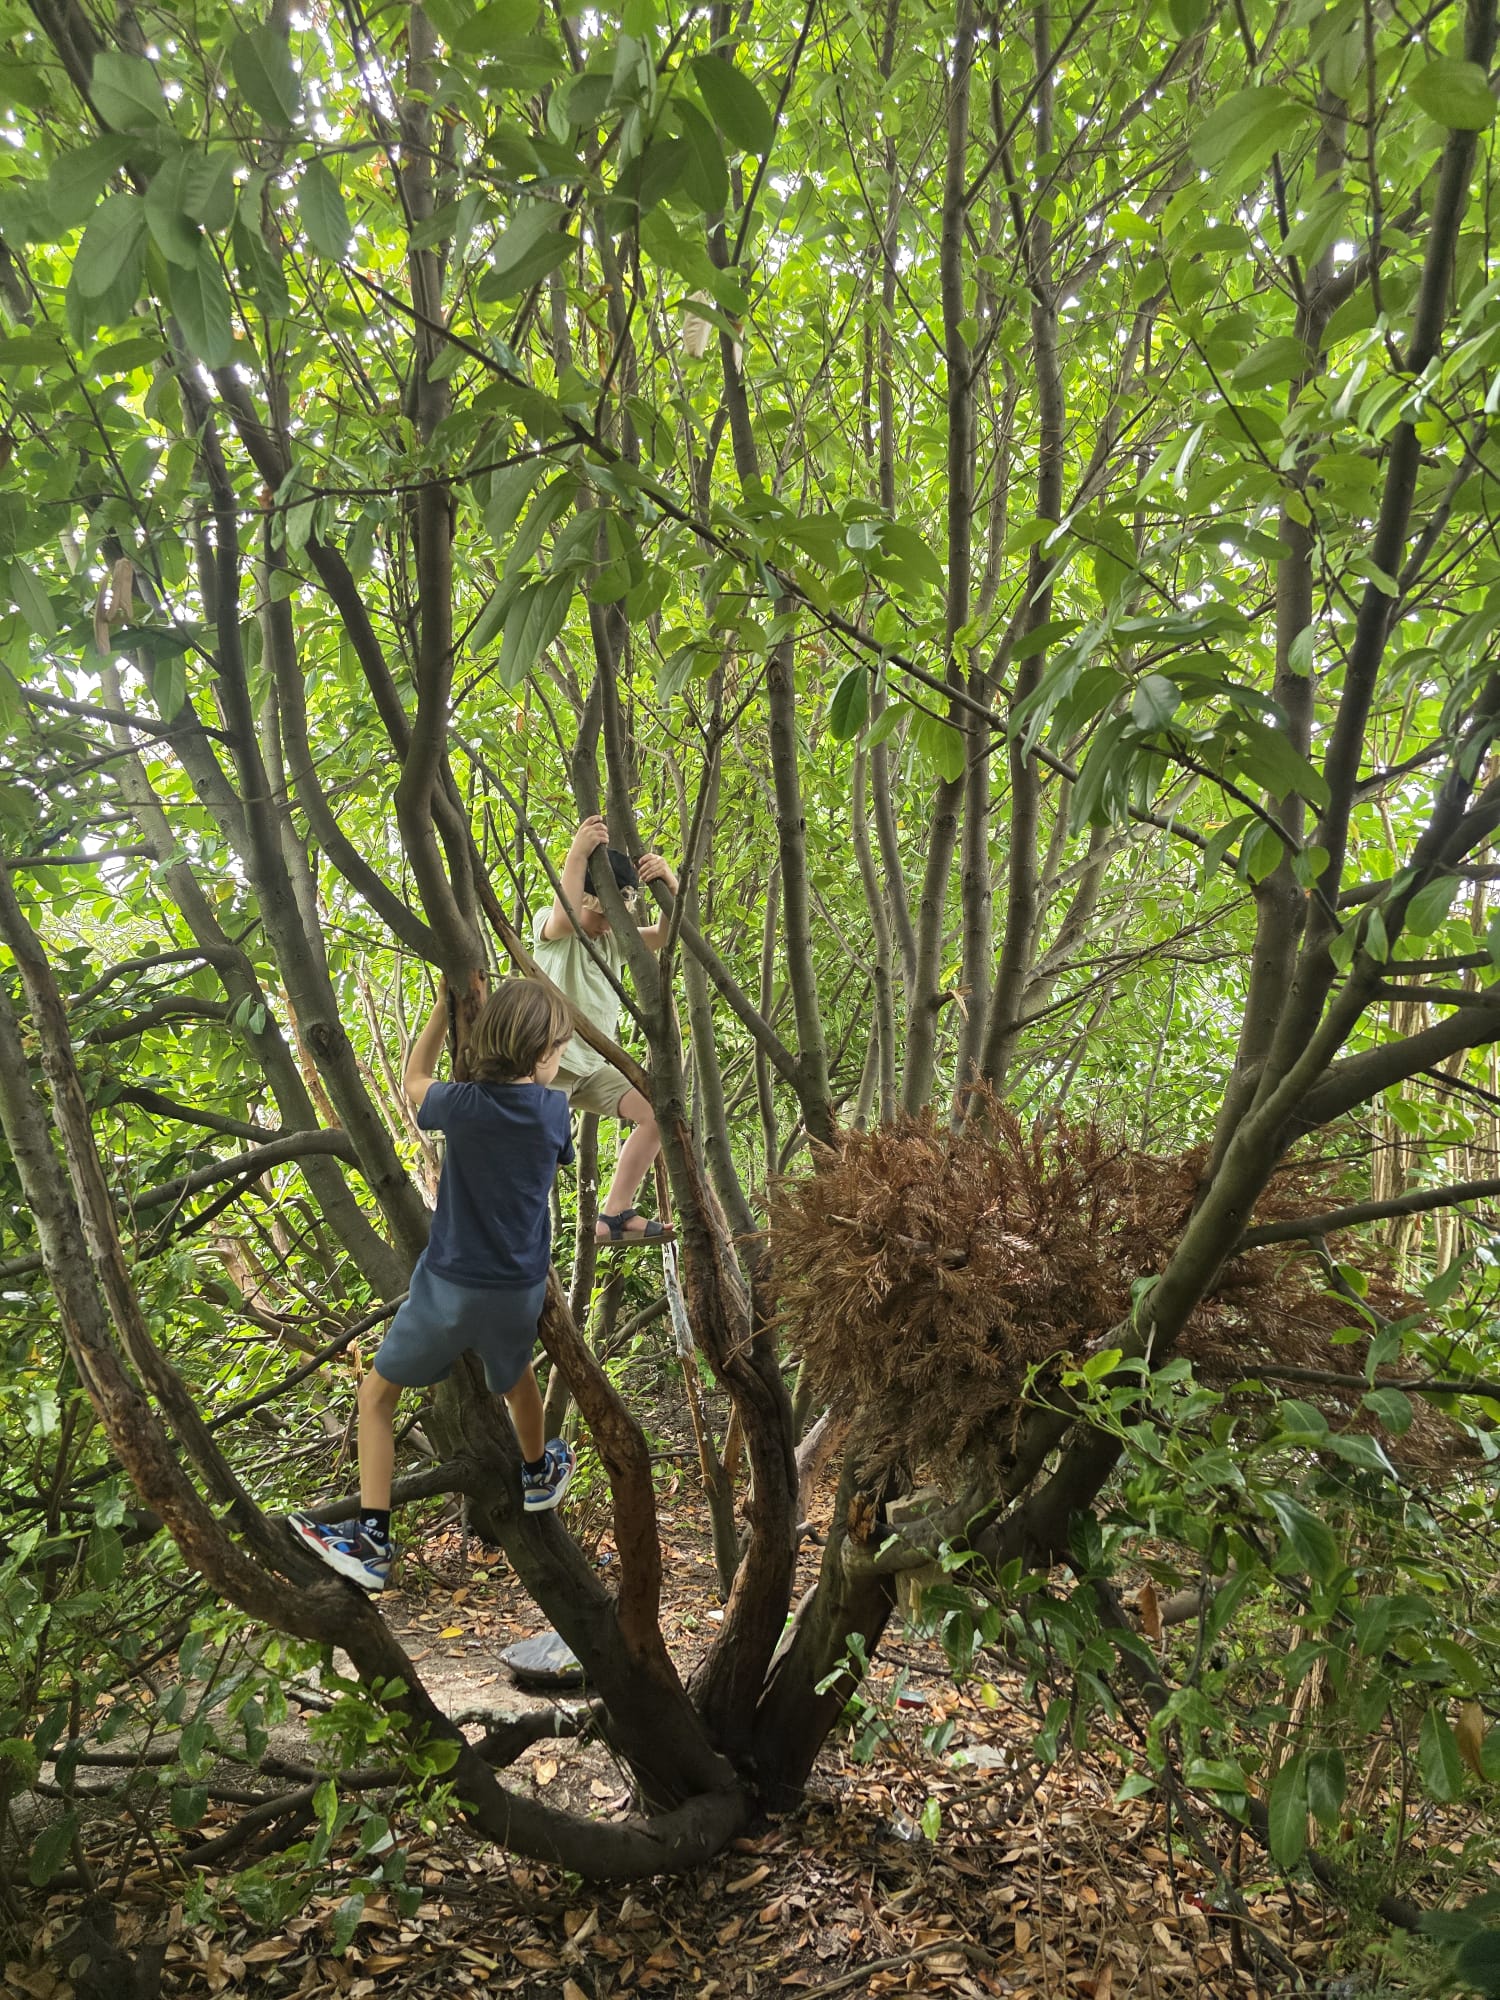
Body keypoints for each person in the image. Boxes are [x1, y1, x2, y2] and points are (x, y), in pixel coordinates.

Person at [288, 978, 579, 1591]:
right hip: (517, 1290)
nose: (561, 1059)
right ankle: (537, 1471)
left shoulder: (461, 1104)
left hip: (448, 1288)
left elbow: (412, 1080)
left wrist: (442, 1017)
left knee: (376, 1399)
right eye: (559, 1048)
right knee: (517, 1379)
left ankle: (372, 1541)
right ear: (539, 1054)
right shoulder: (554, 1112)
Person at [532, 815, 678, 1244]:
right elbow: (566, 915)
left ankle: (614, 1215)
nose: (606, 922)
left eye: (613, 914)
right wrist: (577, 853)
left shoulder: (614, 938)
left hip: (594, 1068)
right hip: (548, 1069)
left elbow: (666, 934)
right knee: (535, 1155)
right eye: (599, 911)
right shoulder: (554, 928)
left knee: (657, 1111)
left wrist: (670, 883)